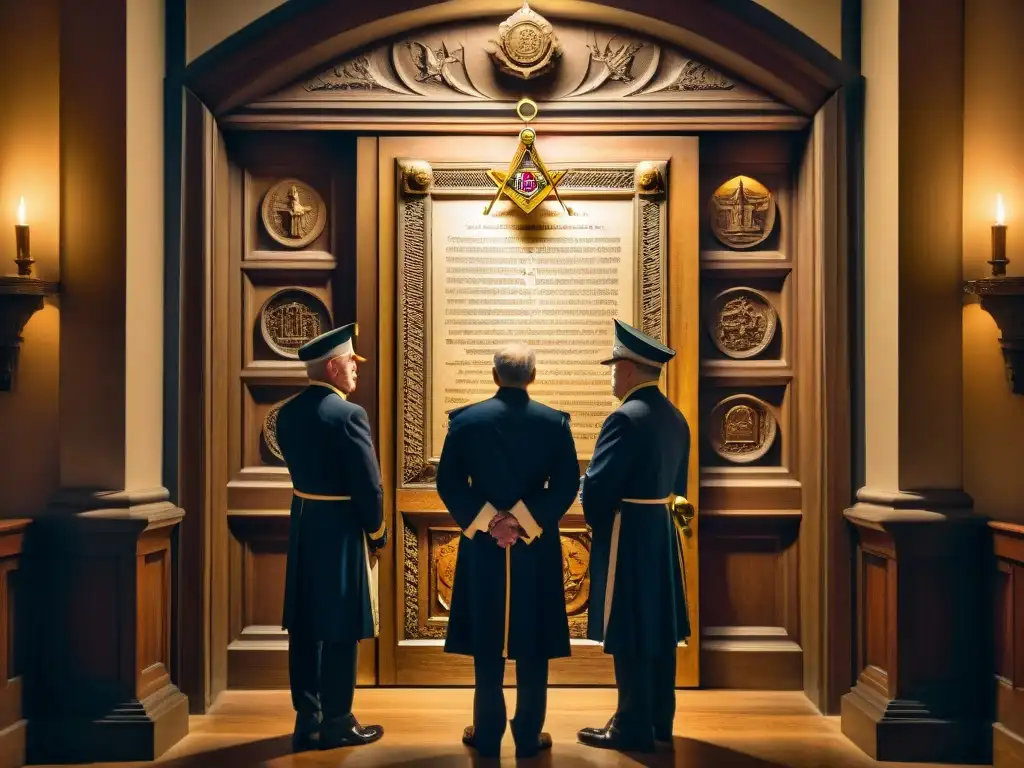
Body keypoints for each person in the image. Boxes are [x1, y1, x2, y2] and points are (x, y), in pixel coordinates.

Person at [437, 343, 580, 759]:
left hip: (483, 546)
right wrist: (524, 521)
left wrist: (490, 520)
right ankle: (529, 734)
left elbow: (449, 484)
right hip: (535, 548)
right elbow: (568, 485)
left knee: (487, 642)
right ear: (532, 376)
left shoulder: (465, 422)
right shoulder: (555, 423)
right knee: (533, 642)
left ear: (494, 375)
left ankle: (487, 732)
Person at [576, 319, 692, 753]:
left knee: (627, 627)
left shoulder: (623, 419)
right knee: (659, 630)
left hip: (629, 532)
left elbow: (599, 487)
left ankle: (630, 726)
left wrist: (591, 502)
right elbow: (679, 484)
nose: (611, 373)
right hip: (661, 532)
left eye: (614, 365)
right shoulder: (675, 418)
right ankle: (660, 720)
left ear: (628, 370)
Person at [275, 323, 387, 752]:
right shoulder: (349, 415)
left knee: (304, 625)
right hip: (341, 525)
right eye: (352, 364)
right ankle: (339, 721)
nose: (356, 371)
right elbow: (369, 485)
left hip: (304, 520)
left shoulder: (285, 412)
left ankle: (308, 720)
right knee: (341, 625)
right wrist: (376, 532)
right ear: (334, 366)